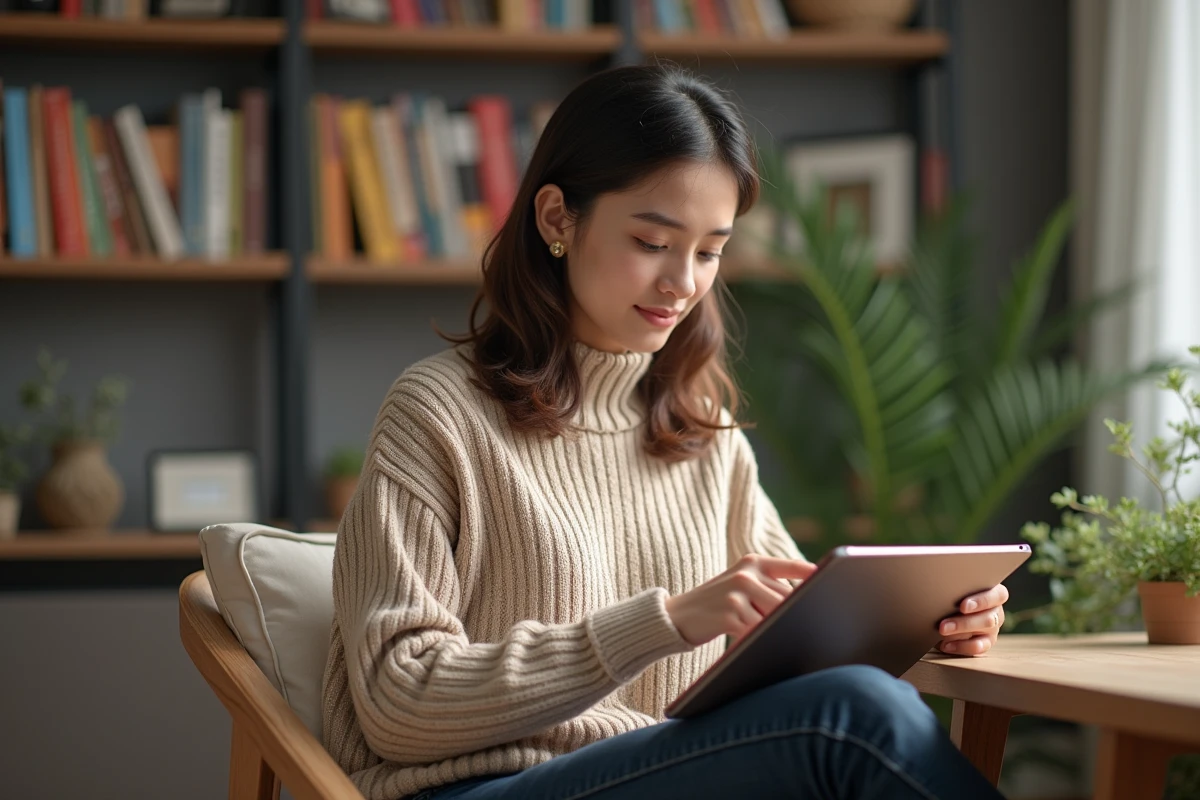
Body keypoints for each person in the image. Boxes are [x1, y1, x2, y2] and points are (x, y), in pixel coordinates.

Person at [321, 63, 1011, 800]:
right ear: (557, 218)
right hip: (483, 788)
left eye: (710, 251)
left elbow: (805, 653)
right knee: (856, 718)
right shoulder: (438, 412)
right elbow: (397, 702)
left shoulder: (706, 441)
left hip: (661, 775)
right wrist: (665, 622)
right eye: (653, 241)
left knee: (874, 704)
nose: (683, 282)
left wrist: (922, 628)